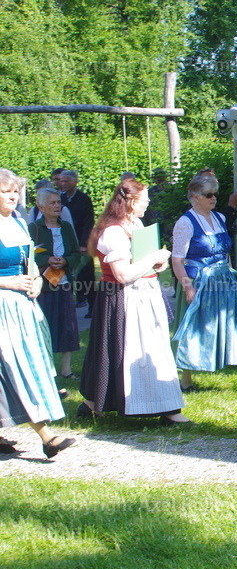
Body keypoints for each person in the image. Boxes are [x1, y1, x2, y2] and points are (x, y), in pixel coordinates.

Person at [79, 178, 188, 424]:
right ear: (129, 201)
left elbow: (140, 263)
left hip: (144, 295)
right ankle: (113, 403)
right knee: (126, 352)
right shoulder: (113, 232)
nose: (148, 204)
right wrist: (153, 259)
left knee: (152, 350)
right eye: (144, 199)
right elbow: (122, 274)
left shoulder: (136, 224)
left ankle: (164, 406)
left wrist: (157, 264)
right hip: (123, 299)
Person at [171, 173, 237, 394]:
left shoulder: (220, 218)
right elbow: (176, 260)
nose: (213, 198)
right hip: (200, 283)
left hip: (224, 282)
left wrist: (231, 277)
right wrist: (187, 286)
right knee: (195, 331)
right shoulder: (185, 222)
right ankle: (185, 381)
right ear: (194, 196)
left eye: (215, 194)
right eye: (208, 194)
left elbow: (225, 253)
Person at [0, 168, 76, 458]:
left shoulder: (19, 223)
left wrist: (39, 279)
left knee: (13, 367)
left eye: (16, 191)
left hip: (21, 305)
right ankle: (47, 437)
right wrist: (6, 282)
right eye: (7, 191)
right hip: (2, 304)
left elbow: (30, 263)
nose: (13, 196)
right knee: (14, 365)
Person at [28, 187, 87, 380]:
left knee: (67, 327)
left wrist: (66, 261)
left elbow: (77, 254)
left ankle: (66, 370)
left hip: (64, 284)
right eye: (52, 203)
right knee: (44, 327)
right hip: (43, 286)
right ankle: (46, 370)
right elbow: (29, 255)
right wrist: (46, 260)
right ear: (41, 206)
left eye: (59, 202)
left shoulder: (67, 228)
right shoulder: (34, 228)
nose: (57, 206)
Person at [57, 170, 95, 312]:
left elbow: (88, 222)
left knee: (87, 274)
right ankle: (74, 302)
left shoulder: (83, 199)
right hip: (67, 242)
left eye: (66, 181)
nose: (63, 184)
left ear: (75, 181)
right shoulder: (61, 199)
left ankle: (92, 304)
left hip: (81, 240)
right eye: (61, 181)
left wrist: (84, 243)